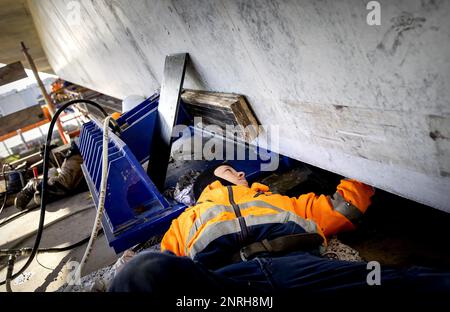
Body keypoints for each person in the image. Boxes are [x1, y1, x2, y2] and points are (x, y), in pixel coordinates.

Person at [109, 163, 450, 297]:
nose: (242, 175)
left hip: (297, 266)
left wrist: (361, 162)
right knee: (140, 271)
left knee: (403, 282)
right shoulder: (186, 220)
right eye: (230, 170)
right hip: (228, 288)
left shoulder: (279, 201)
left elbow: (342, 207)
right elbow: (168, 270)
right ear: (211, 181)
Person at [14, 142, 86, 210]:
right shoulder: (70, 160)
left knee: (40, 196)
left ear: (56, 153)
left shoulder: (73, 159)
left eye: (48, 159)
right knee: (40, 197)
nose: (49, 163)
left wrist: (32, 185)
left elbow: (63, 184)